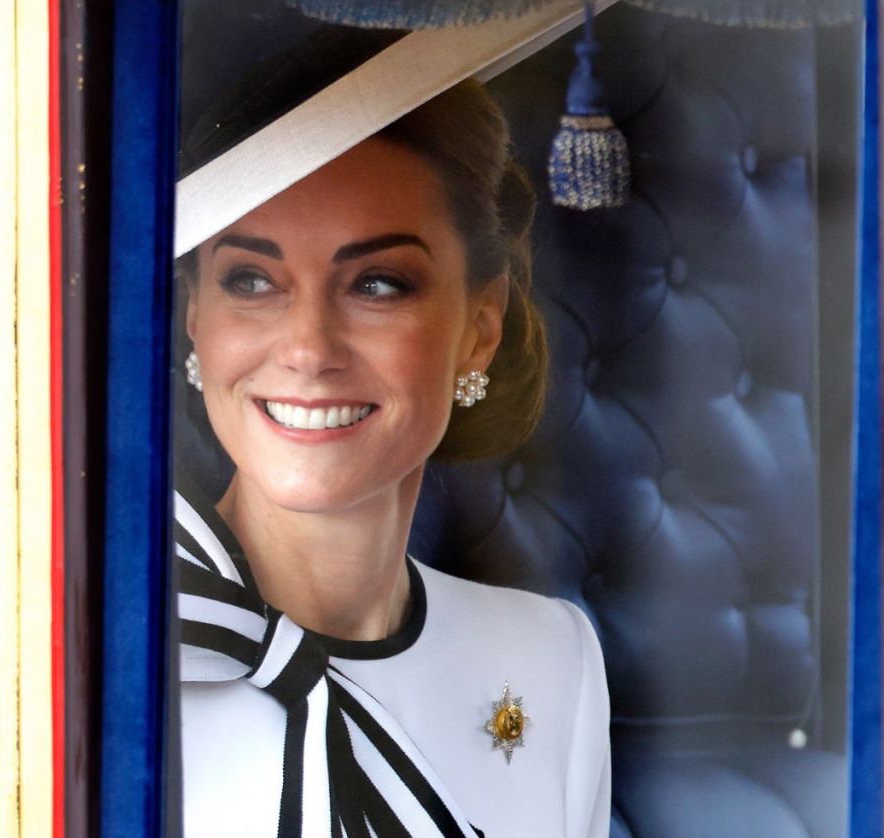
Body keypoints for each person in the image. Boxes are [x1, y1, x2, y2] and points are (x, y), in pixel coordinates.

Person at [174, 70, 611, 837]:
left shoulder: (553, 659)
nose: (309, 349)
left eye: (377, 284)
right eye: (251, 279)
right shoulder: (84, 653)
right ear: (194, 320)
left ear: (480, 326)